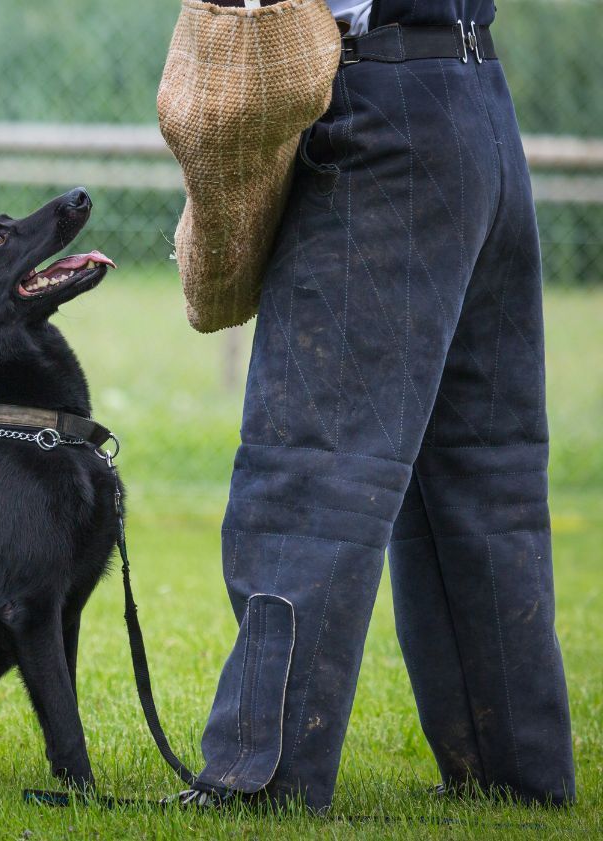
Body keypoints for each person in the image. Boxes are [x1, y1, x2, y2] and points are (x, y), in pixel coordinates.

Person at [177, 0, 576, 812]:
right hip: (476, 103)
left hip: (383, 103)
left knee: (310, 464)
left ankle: (264, 774)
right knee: (479, 469)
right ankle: (514, 769)